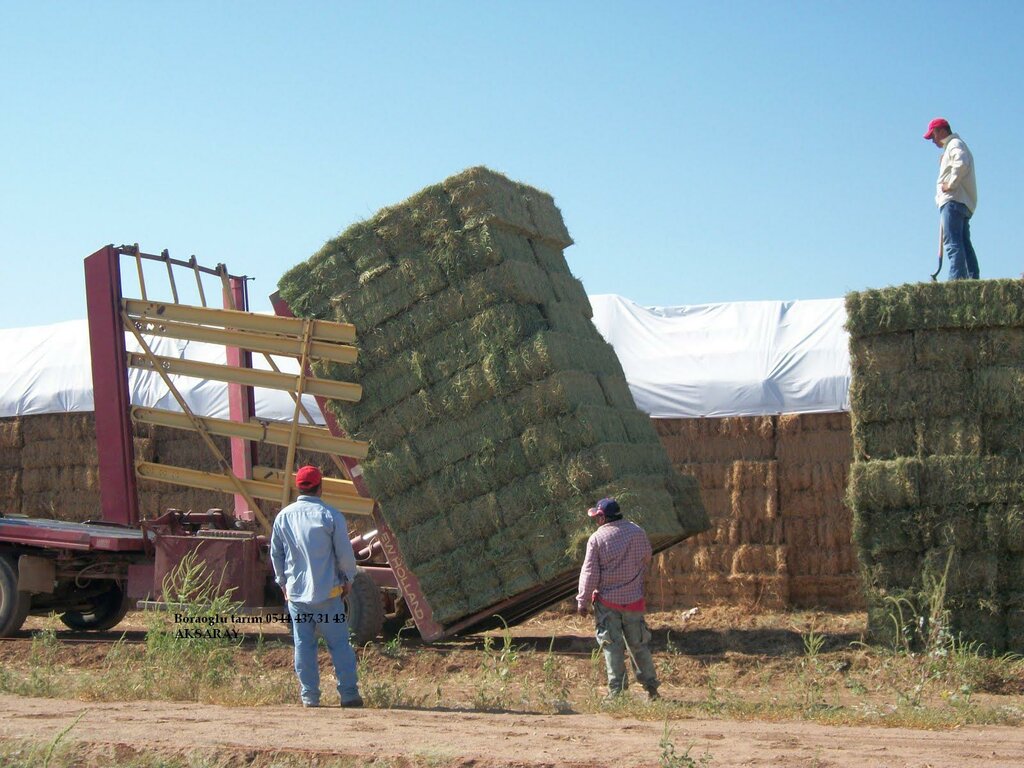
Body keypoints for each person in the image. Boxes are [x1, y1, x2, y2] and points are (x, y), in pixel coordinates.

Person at [270, 465, 363, 708]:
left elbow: (276, 554)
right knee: (339, 644)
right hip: (328, 597)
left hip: (298, 599)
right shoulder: (330, 515)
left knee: (304, 645)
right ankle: (349, 695)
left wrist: (283, 583)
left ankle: (310, 697)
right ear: (320, 487)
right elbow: (344, 555)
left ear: (298, 487)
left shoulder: (284, 517)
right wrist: (349, 579)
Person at [576, 497, 659, 701]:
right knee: (638, 645)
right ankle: (652, 690)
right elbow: (647, 557)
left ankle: (617, 693)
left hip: (608, 602)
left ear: (603, 517)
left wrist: (582, 600)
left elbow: (590, 573)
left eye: (597, 517)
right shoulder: (637, 532)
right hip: (634, 600)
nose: (596, 521)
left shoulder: (597, 538)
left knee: (612, 646)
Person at [924, 117, 979, 280]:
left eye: (932, 136)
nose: (932, 141)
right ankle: (972, 278)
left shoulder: (954, 144)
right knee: (963, 243)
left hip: (953, 201)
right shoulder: (953, 147)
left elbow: (961, 163)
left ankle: (956, 282)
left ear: (940, 131)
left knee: (953, 244)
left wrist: (951, 184)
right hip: (962, 202)